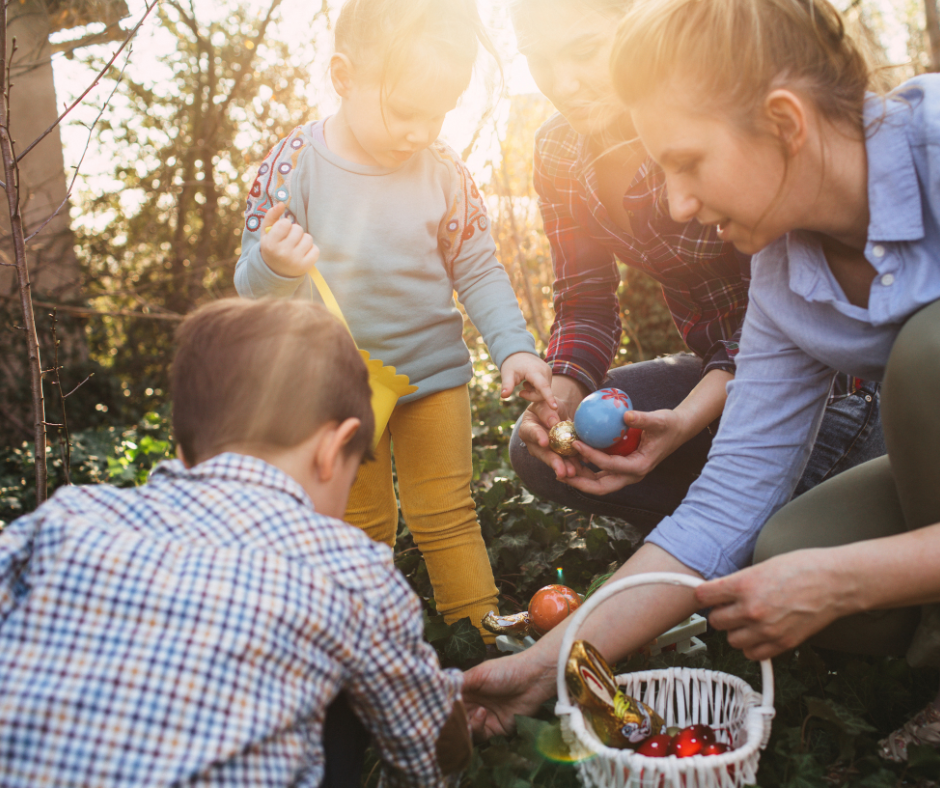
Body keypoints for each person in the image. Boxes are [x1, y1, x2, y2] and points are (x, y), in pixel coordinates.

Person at [465, 0, 940, 763]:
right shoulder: (784, 276)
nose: (678, 202)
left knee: (930, 350)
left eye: (688, 163)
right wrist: (540, 668)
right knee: (785, 546)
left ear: (785, 123)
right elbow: (723, 507)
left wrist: (852, 578)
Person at [0, 298, 472, 786]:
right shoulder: (351, 567)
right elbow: (430, 753)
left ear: (183, 450)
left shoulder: (68, 516)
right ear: (334, 449)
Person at [234, 0, 553, 643]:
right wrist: (275, 262)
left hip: (435, 379)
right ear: (345, 76)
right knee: (357, 524)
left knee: (449, 512)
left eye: (438, 111)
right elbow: (251, 289)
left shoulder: (445, 172)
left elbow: (479, 269)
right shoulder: (292, 166)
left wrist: (514, 348)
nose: (419, 130)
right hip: (337, 392)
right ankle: (361, 647)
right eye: (405, 109)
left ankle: (477, 639)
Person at [507, 0, 883, 534]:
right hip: (721, 372)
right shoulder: (558, 153)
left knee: (759, 522)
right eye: (537, 60)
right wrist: (562, 391)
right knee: (533, 457)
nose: (562, 83)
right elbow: (584, 299)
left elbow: (783, 318)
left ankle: (786, 512)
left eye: (584, 51)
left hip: (824, 378)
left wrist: (686, 424)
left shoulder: (713, 123)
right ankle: (746, 519)